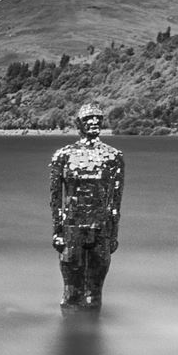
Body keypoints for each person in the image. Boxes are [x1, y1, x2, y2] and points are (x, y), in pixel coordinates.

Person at [49, 103, 124, 310]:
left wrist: (113, 234)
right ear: (79, 123)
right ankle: (71, 336)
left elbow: (116, 200)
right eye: (88, 118)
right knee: (72, 293)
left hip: (101, 229)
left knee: (94, 294)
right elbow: (56, 199)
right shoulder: (64, 156)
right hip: (72, 228)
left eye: (98, 118)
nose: (94, 122)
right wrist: (57, 232)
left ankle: (92, 335)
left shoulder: (113, 157)